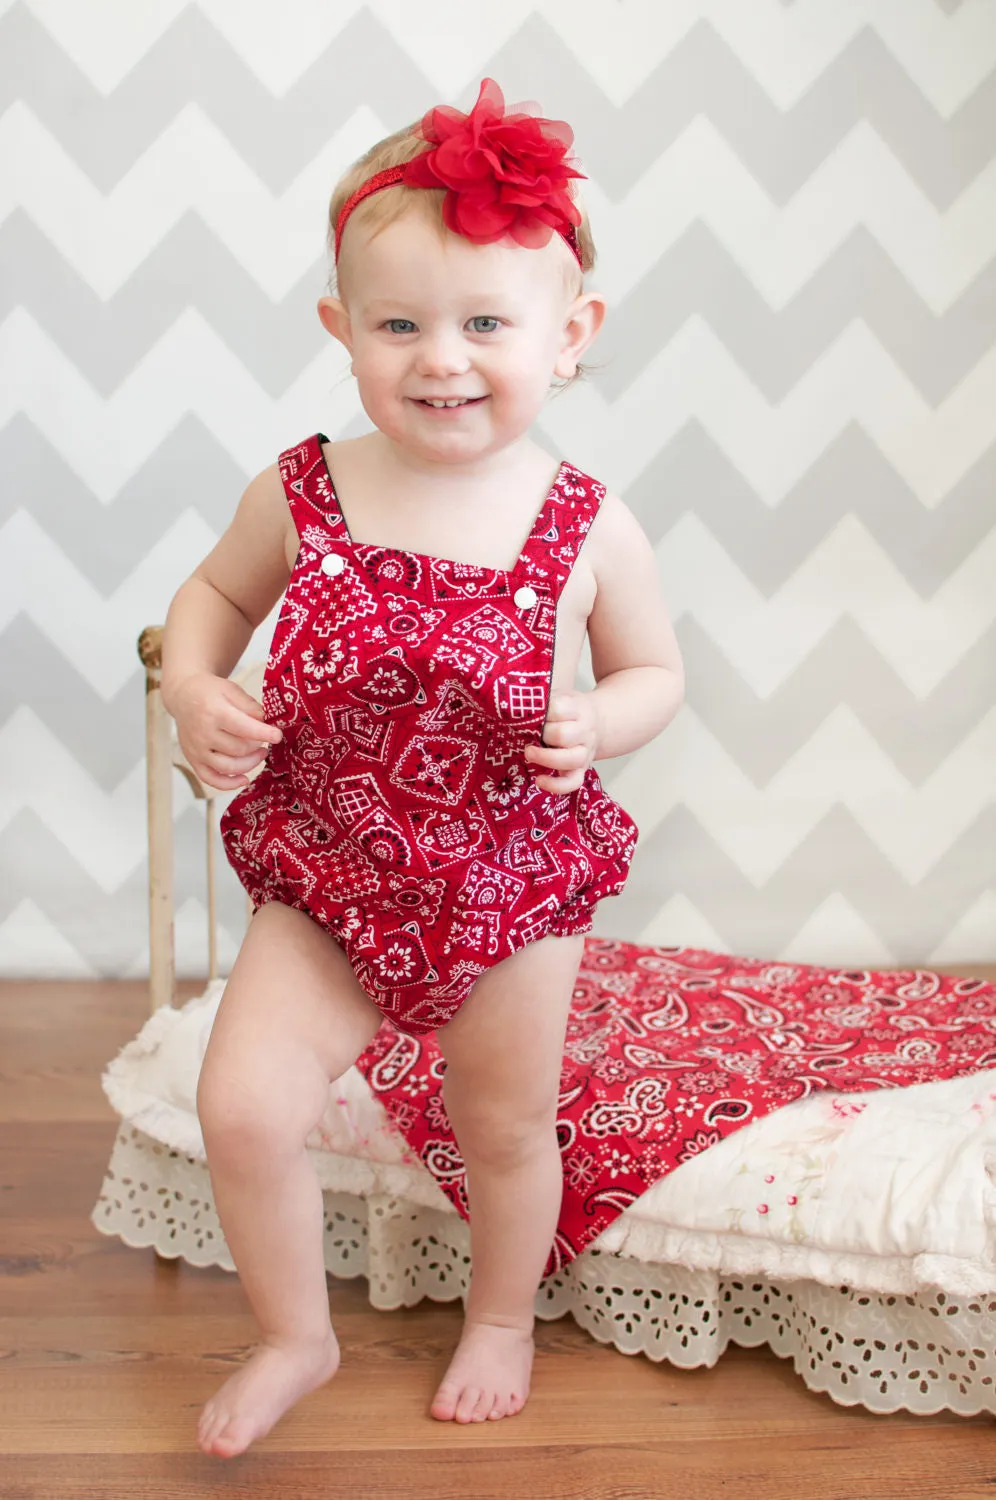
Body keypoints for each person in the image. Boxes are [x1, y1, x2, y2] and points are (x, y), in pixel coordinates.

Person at [161, 77, 684, 1459]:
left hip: (507, 885)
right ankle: (295, 1332)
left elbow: (656, 674)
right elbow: (210, 599)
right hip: (330, 869)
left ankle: (502, 1315)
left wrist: (602, 723)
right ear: (343, 332)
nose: (440, 359)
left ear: (570, 339)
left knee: (501, 1127)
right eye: (400, 324)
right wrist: (198, 687)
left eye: (486, 325)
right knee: (242, 1103)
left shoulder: (584, 526)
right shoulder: (305, 489)